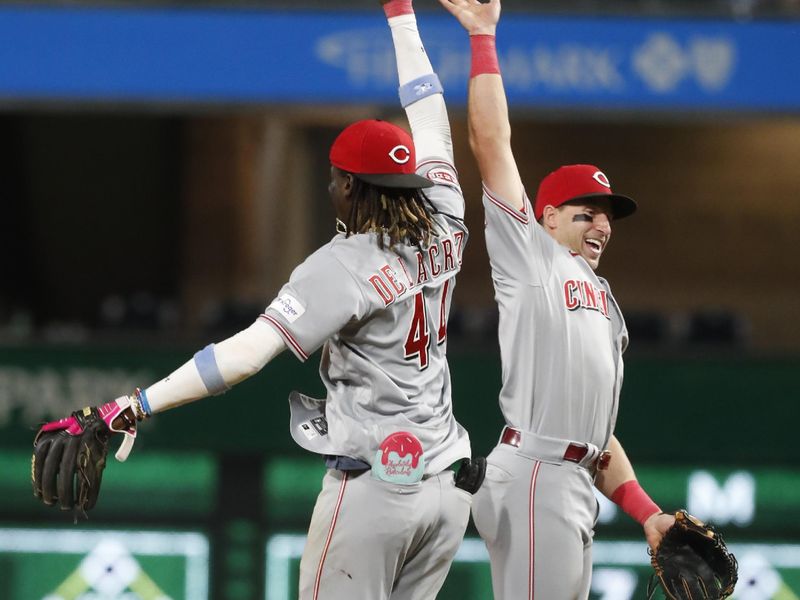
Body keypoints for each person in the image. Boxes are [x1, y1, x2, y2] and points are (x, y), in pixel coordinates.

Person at [32, 1, 480, 598]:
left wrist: (132, 405)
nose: (331, 189)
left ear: (348, 185)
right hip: (447, 496)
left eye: (334, 180)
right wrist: (403, 15)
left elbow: (242, 358)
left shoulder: (341, 265)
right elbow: (427, 107)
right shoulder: (447, 215)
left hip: (376, 495)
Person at [438, 0, 677, 598]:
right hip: (537, 476)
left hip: (569, 480)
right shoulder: (531, 257)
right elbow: (490, 141)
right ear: (545, 218)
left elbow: (597, 436)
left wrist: (645, 511)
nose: (602, 224)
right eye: (585, 213)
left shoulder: (606, 302)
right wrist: (483, 39)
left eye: (608, 216)